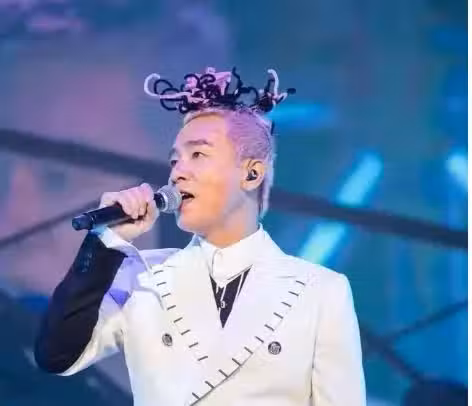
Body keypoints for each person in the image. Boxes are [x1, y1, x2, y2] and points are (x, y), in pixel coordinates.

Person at [34, 67, 366, 406]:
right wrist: (105, 241)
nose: (178, 172)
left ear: (252, 174)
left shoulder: (319, 291)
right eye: (174, 160)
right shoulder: (142, 275)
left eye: (198, 155)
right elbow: (57, 356)